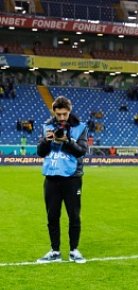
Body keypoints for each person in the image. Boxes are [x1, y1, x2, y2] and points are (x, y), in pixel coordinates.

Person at [36, 96, 88, 264]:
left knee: (74, 215)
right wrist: (47, 140)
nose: (62, 118)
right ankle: (55, 251)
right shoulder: (47, 126)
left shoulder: (80, 127)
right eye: (58, 114)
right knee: (52, 216)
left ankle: (74, 251)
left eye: (65, 114)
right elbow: (40, 152)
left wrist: (67, 141)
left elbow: (81, 151)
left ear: (69, 111)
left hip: (72, 177)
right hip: (51, 177)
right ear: (54, 112)